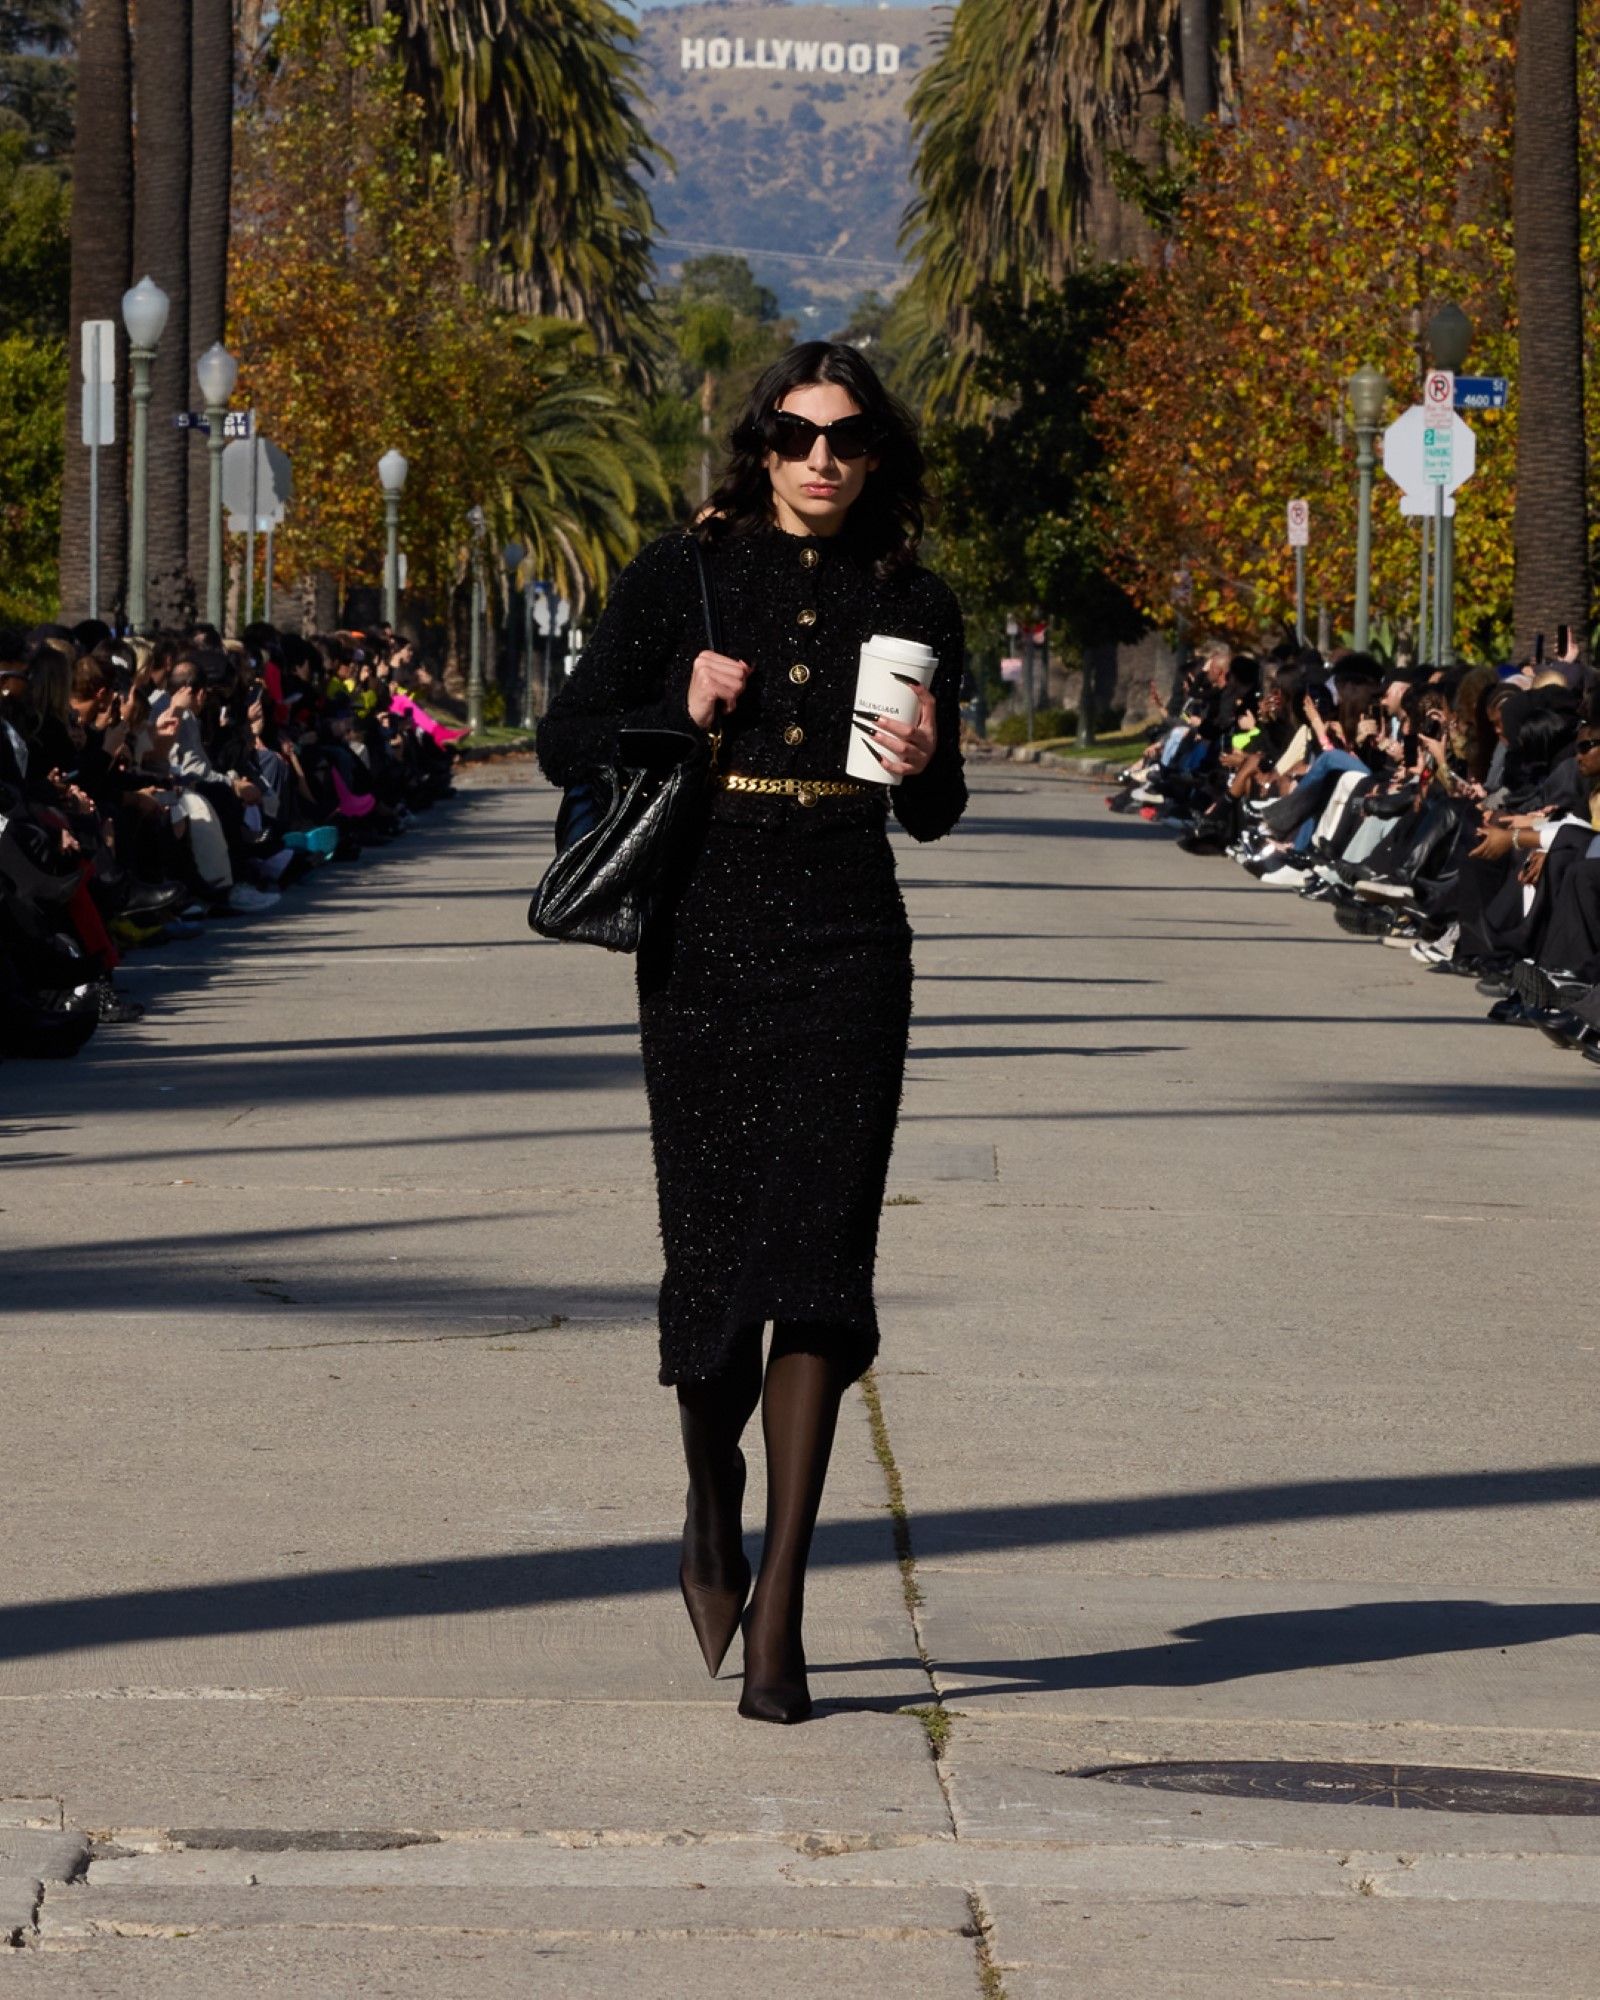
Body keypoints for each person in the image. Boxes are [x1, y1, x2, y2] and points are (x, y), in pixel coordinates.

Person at [536, 342, 967, 1724]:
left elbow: (936, 812)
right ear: (761, 447)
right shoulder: (686, 573)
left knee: (821, 1263)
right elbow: (564, 738)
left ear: (877, 454)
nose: (819, 460)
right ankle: (709, 1492)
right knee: (717, 1261)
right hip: (705, 933)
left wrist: (929, 765)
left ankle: (782, 1601)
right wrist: (676, 708)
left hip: (851, 934)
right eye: (794, 436)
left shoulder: (915, 598)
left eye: (844, 438)